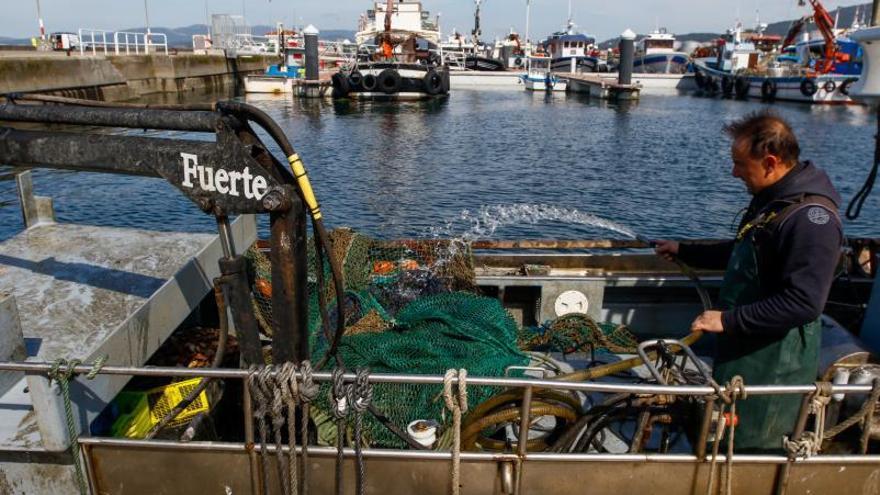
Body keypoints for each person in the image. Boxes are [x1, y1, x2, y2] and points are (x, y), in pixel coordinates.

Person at [655, 110, 843, 453]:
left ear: (770, 162)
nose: (734, 172)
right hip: (744, 351)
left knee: (751, 445)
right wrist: (684, 251)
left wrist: (727, 319)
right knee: (728, 433)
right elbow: (745, 248)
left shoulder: (812, 221)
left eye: (741, 164)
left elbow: (804, 302)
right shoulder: (774, 201)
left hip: (774, 364)